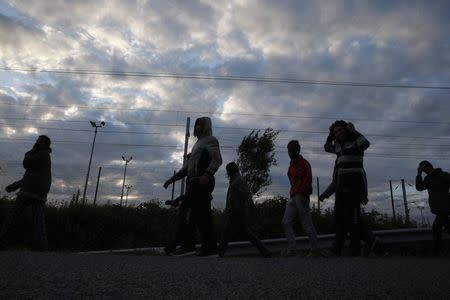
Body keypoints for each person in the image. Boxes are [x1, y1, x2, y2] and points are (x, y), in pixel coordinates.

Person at [164, 117, 222, 256]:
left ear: (206, 126)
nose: (197, 127)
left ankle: (187, 246)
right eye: (196, 125)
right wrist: (172, 179)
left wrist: (207, 175)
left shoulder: (210, 140)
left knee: (186, 212)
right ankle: (208, 247)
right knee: (201, 215)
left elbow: (217, 159)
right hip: (194, 182)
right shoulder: (197, 144)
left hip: (202, 181)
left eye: (200, 125)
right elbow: (187, 169)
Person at [324, 120, 369, 256]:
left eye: (339, 130)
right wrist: (330, 135)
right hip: (341, 189)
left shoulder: (356, 143)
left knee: (354, 220)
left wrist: (353, 131)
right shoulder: (338, 147)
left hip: (354, 188)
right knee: (340, 219)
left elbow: (366, 144)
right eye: (335, 132)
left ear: (346, 129)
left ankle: (353, 249)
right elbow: (326, 147)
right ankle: (337, 250)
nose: (338, 133)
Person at [0, 135, 52, 251]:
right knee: (38, 221)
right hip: (39, 193)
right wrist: (13, 186)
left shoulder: (39, 154)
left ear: (43, 143)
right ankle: (42, 247)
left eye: (38, 141)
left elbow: (26, 164)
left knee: (12, 217)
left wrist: (31, 151)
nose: (36, 143)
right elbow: (30, 177)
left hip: (29, 192)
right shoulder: (44, 156)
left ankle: (2, 242)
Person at [218, 162, 271, 257]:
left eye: (228, 171)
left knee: (227, 232)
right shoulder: (234, 180)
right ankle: (265, 251)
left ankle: (220, 252)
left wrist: (251, 207)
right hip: (235, 211)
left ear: (231, 171)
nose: (227, 173)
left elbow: (246, 194)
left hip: (238, 211)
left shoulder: (238, 180)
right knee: (245, 233)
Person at [282, 140, 320, 257]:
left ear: (297, 150)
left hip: (301, 196)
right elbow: (291, 180)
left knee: (306, 223)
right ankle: (292, 249)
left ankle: (314, 250)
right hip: (293, 196)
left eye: (292, 150)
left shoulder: (304, 163)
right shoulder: (291, 166)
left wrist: (303, 194)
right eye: (289, 150)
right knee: (286, 222)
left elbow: (308, 180)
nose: (290, 152)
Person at [415, 160, 450, 256]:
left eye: (424, 170)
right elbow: (419, 188)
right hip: (438, 208)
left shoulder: (444, 175)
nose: (425, 172)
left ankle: (436, 252)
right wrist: (418, 175)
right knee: (443, 227)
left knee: (436, 228)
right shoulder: (428, 178)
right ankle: (437, 252)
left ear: (429, 167)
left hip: (445, 207)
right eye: (423, 171)